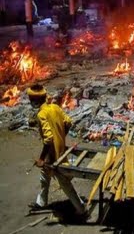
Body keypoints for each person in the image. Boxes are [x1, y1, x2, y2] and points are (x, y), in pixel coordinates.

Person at [26, 84, 87, 218]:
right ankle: (41, 202)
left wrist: (41, 159)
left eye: (31, 99)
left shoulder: (42, 114)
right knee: (44, 176)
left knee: (64, 183)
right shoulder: (55, 107)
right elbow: (68, 122)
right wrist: (61, 136)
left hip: (53, 154)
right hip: (56, 150)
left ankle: (81, 208)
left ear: (34, 101)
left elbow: (48, 139)